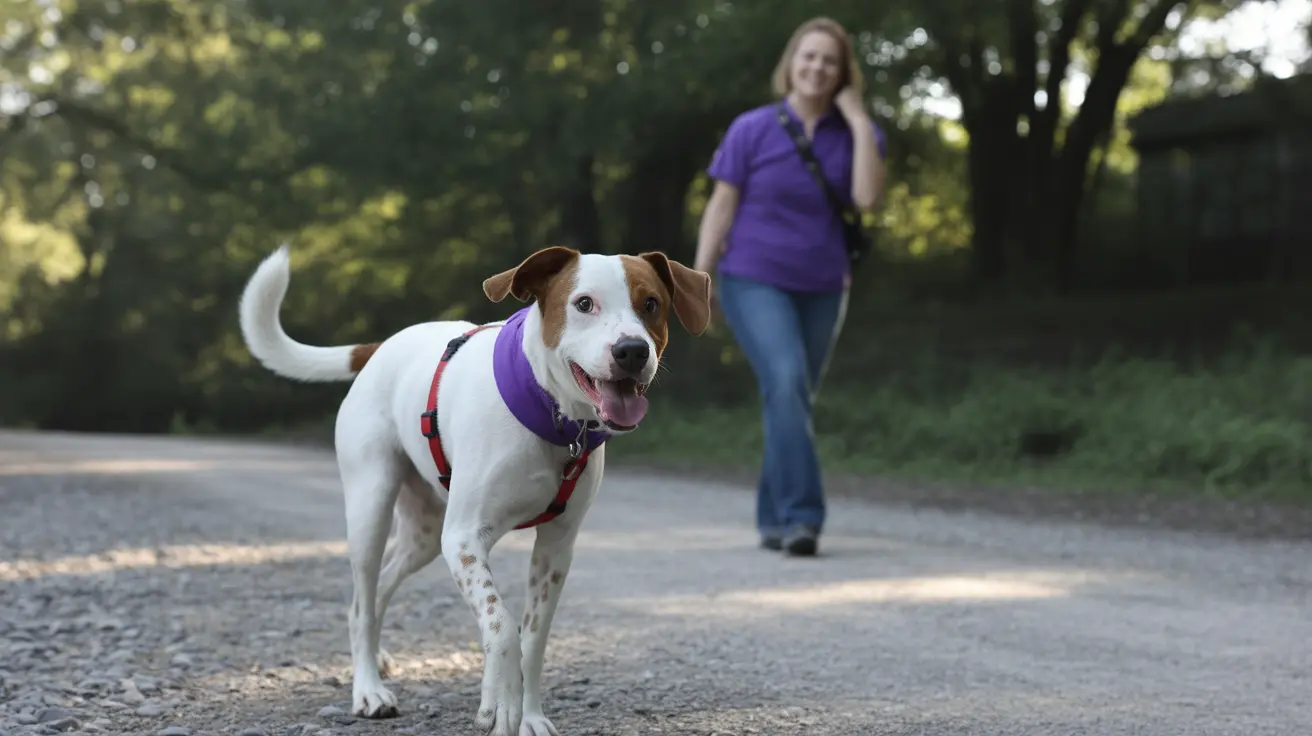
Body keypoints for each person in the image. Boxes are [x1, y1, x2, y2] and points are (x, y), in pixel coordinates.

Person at [693, 16, 887, 557]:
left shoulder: (858, 134)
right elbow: (722, 204)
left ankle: (772, 517)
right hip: (752, 277)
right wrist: (699, 278)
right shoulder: (752, 128)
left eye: (829, 60)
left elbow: (867, 199)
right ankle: (803, 517)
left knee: (790, 396)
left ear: (842, 73)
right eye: (809, 56)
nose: (817, 67)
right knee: (785, 379)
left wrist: (857, 118)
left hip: (825, 285)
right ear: (792, 63)